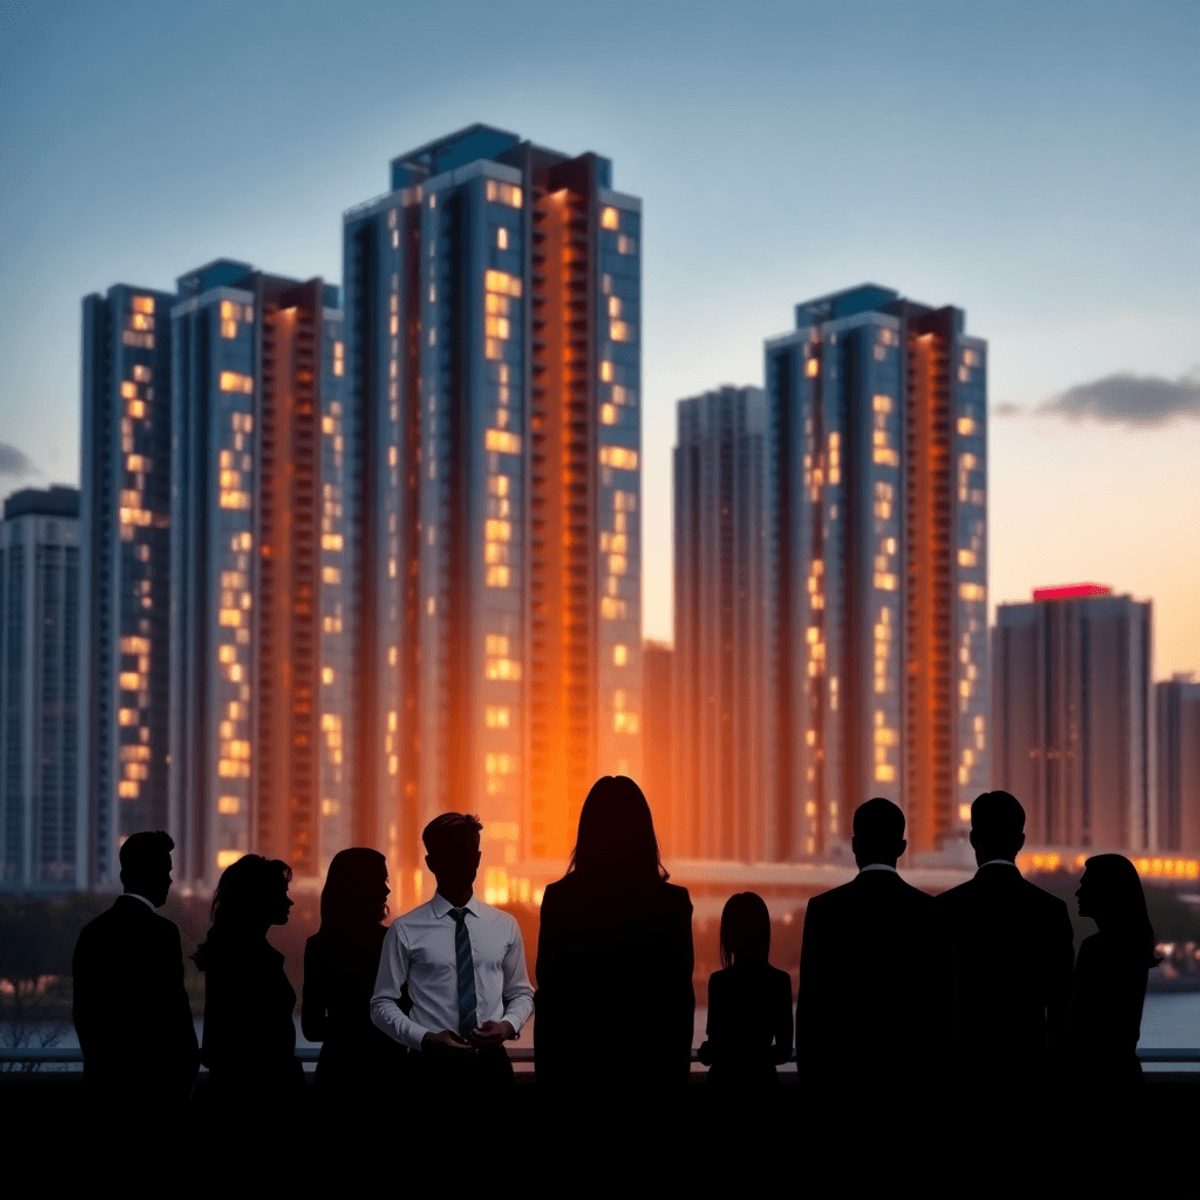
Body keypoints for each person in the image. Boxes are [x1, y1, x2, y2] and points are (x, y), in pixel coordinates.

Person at [535, 776, 695, 1091]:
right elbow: (679, 1007)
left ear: (588, 830)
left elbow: (551, 1004)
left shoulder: (560, 899)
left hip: (577, 1075)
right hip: (650, 1075)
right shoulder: (672, 904)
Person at [370, 813, 533, 1090]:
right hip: (430, 1070)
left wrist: (507, 1026)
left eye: (466, 852)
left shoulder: (504, 926)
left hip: (492, 1070)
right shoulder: (405, 929)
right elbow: (381, 1004)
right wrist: (425, 1038)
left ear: (478, 858)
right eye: (450, 854)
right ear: (431, 863)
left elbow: (521, 993)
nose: (460, 861)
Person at [796, 798, 944, 1093]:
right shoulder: (930, 912)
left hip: (841, 1080)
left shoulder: (824, 911)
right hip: (910, 1080)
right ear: (901, 848)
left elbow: (810, 1009)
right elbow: (941, 1009)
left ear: (854, 845)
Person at [935, 791, 1074, 1077]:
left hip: (961, 1066)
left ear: (974, 840)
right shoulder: (1051, 911)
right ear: (1020, 842)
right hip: (1028, 1064)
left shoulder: (943, 909)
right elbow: (1061, 1005)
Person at [72, 830, 199, 1104]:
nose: (169, 879)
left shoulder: (92, 932)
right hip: (156, 1088)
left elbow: (84, 1014)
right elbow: (174, 1014)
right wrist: (185, 1075)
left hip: (104, 1085)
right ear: (149, 874)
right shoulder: (163, 934)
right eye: (165, 870)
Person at [194, 853, 303, 1099]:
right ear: (260, 898)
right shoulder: (252, 960)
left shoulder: (227, 954)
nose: (290, 902)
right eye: (282, 893)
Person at [303, 848, 408, 1101]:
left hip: (338, 1075)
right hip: (389, 1074)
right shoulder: (395, 943)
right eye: (381, 881)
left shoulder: (319, 946)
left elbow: (312, 1027)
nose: (387, 890)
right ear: (361, 886)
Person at [697, 891, 792, 1089]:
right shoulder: (779, 981)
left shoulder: (719, 982)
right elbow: (783, 1052)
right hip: (763, 1080)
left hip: (723, 1081)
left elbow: (713, 1047)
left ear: (729, 935)